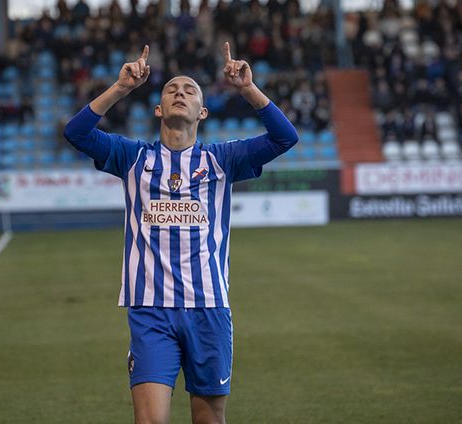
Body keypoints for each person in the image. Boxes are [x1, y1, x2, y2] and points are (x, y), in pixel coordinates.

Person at [63, 43, 298, 423]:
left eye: (190, 90)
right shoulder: (133, 157)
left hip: (209, 307)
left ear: (202, 112)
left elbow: (285, 137)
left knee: (208, 420)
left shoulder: (222, 159)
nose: (179, 93)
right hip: (150, 310)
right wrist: (121, 88)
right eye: (171, 89)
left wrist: (247, 89)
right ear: (158, 109)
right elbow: (76, 133)